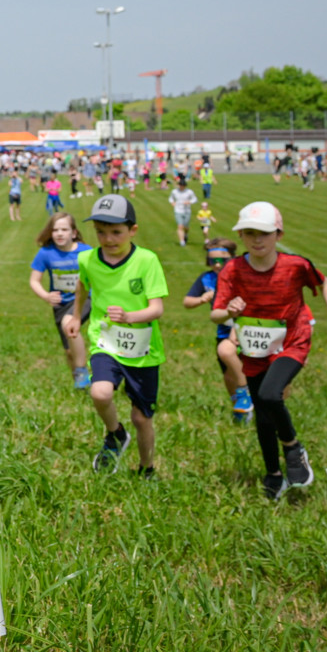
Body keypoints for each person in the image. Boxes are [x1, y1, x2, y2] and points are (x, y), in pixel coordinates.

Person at [215, 201, 327, 500]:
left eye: (264, 233)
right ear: (240, 235)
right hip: (254, 348)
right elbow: (215, 314)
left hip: (293, 341)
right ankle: (273, 474)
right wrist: (229, 310)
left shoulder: (295, 265)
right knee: (263, 415)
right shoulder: (233, 269)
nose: (257, 240)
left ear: (279, 235)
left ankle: (293, 448)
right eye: (250, 233)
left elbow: (326, 283)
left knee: (270, 395)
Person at [63, 195, 167, 478]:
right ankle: (115, 434)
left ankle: (146, 469)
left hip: (142, 350)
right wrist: (75, 316)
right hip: (105, 340)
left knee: (141, 418)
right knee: (100, 392)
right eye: (101, 232)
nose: (108, 239)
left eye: (116, 232)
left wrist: (129, 316)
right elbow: (82, 286)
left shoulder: (146, 260)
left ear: (133, 230)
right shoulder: (87, 259)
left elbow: (157, 309)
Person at [183, 240, 252, 423]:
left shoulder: (241, 277)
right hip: (223, 332)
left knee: (248, 369)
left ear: (233, 258)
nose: (218, 265)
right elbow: (187, 302)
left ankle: (246, 393)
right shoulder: (207, 279)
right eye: (213, 261)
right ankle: (239, 407)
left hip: (246, 330)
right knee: (229, 375)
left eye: (223, 260)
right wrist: (201, 299)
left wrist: (236, 329)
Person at [28, 212, 93, 389]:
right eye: (55, 230)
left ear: (74, 233)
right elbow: (34, 281)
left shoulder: (86, 251)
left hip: (84, 298)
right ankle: (80, 384)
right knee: (69, 351)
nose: (59, 233)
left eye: (64, 229)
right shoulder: (46, 253)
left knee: (68, 323)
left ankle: (82, 370)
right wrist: (46, 296)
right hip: (61, 304)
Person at [169, 179, 196, 246]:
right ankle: (182, 241)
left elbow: (195, 199)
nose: (182, 187)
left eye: (183, 186)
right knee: (180, 226)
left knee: (186, 226)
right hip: (178, 210)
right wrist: (172, 203)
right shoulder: (174, 191)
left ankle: (186, 234)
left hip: (187, 211)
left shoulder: (189, 192)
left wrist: (189, 202)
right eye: (180, 185)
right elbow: (171, 198)